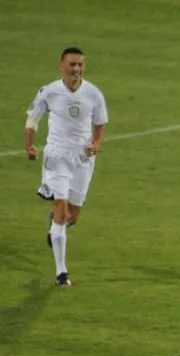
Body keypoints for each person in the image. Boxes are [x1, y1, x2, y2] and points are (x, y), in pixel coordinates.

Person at [25, 47, 109, 288]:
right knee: (62, 210)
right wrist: (29, 145)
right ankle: (61, 273)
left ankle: (55, 224)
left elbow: (100, 125)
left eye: (80, 64)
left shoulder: (93, 93)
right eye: (72, 64)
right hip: (57, 156)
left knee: (73, 216)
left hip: (83, 159)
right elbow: (33, 119)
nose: (76, 69)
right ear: (62, 65)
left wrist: (96, 144)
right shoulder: (50, 91)